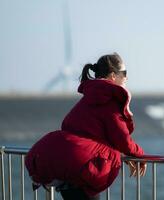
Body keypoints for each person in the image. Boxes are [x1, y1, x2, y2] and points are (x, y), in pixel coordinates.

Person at [25, 53, 147, 200]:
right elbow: (122, 140)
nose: (127, 78)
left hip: (67, 174)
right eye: (124, 73)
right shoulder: (110, 102)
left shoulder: (88, 99)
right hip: (82, 174)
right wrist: (140, 155)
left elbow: (71, 127)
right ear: (113, 76)